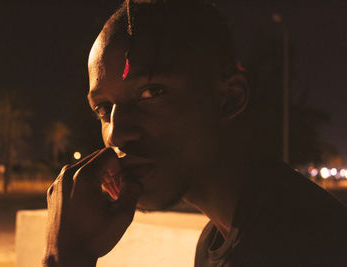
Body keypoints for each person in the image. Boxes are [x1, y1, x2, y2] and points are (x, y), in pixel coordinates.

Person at [43, 0, 347, 266]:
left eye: (151, 92)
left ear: (229, 98)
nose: (118, 133)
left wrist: (66, 258)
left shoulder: (298, 246)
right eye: (103, 109)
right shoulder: (216, 239)